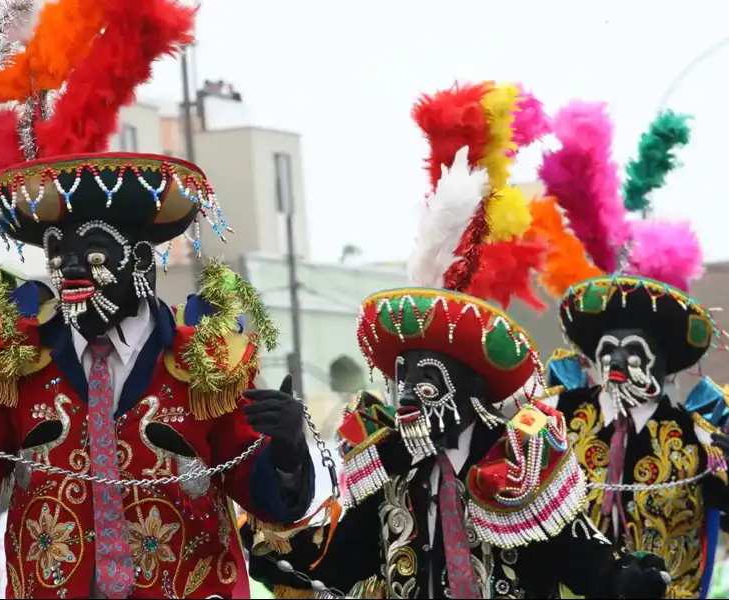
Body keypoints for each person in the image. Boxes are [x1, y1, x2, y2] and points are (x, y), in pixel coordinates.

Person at [0, 1, 315, 597]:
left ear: (142, 258)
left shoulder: (204, 360)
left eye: (93, 252)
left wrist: (286, 449)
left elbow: (269, 499)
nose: (70, 269)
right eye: (59, 254)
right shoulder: (19, 363)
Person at [243, 82, 671, 599]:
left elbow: (581, 555)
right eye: (401, 380)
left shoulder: (521, 460)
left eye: (424, 381)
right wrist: (290, 452)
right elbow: (319, 566)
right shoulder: (391, 469)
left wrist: (624, 580)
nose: (405, 395)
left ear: (472, 389)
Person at [530, 101, 729, 598]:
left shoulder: (698, 433)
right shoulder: (556, 419)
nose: (619, 361)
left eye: (634, 350)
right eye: (609, 348)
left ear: (664, 362)